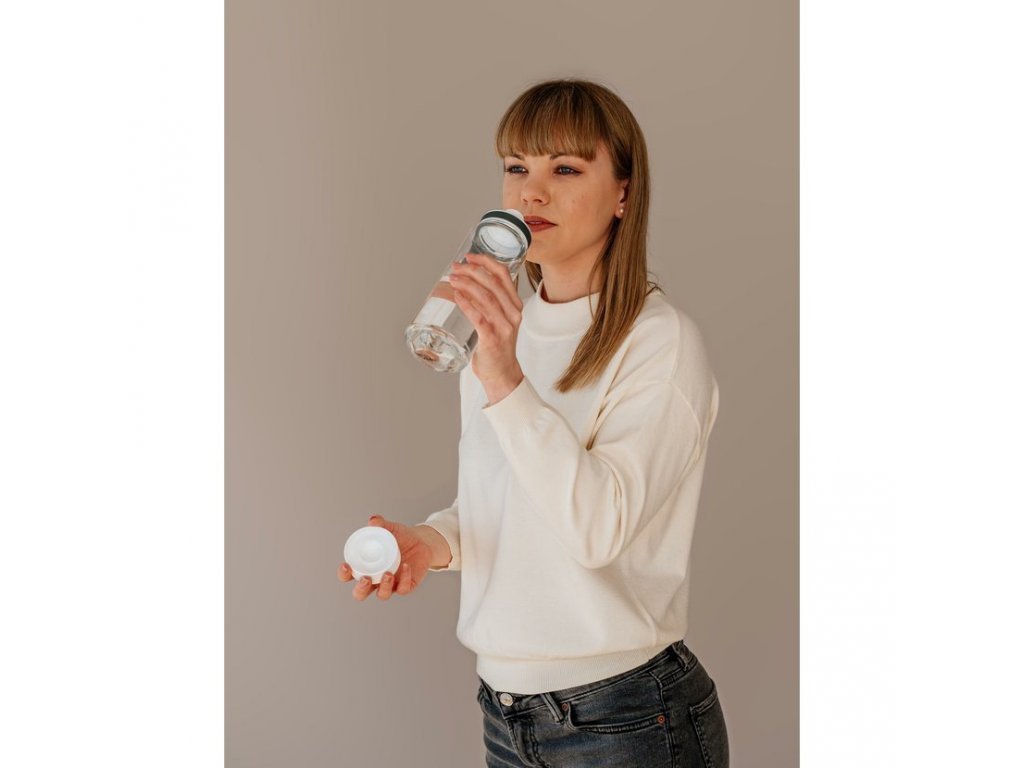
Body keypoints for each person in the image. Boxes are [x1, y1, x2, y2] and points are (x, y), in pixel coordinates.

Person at [338, 78, 729, 767]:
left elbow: (596, 529)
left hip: (624, 719)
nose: (531, 193)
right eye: (517, 167)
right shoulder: (499, 330)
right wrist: (431, 542)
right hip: (507, 714)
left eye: (566, 169)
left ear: (624, 193)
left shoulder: (659, 342)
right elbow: (512, 500)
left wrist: (502, 375)